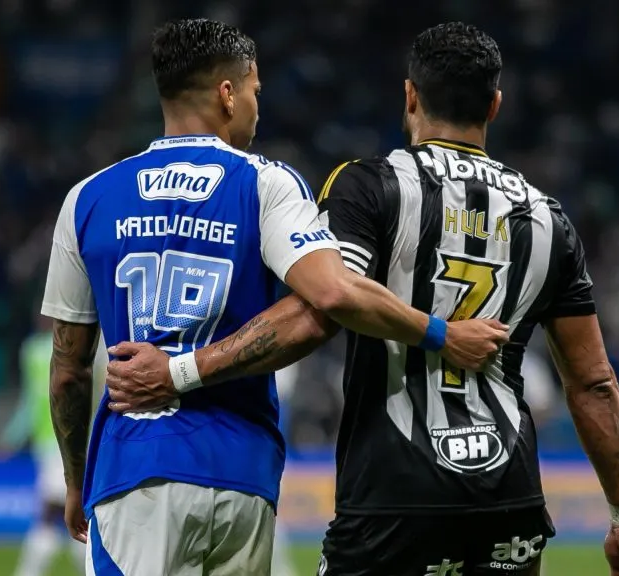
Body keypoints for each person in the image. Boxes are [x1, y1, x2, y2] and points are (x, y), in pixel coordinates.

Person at [105, 22, 619, 576]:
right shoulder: (548, 218)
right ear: (495, 105)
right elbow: (593, 382)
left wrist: (180, 370)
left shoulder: (368, 186)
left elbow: (321, 307)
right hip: (508, 497)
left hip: (393, 494)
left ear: (410, 96)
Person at [40, 18, 507, 576]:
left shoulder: (88, 198)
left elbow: (68, 372)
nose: (257, 108)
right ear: (227, 94)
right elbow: (328, 297)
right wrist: (440, 332)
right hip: (244, 477)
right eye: (255, 92)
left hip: (136, 470)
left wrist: (76, 480)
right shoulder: (266, 183)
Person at [0, 314, 107, 576]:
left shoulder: (32, 350)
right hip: (68, 440)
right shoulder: (84, 346)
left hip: (62, 442)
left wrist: (12, 438)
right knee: (68, 511)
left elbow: (29, 401)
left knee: (57, 512)